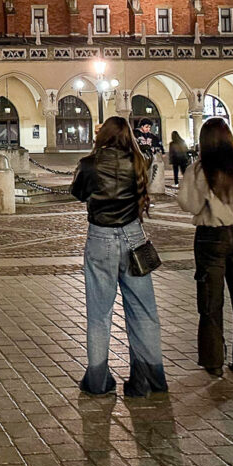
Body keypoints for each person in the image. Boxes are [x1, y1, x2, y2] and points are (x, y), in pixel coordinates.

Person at [71, 116, 168, 398]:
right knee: (144, 312)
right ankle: (149, 379)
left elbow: (78, 193)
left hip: (100, 239)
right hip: (134, 237)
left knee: (99, 315)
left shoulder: (90, 164)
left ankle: (98, 380)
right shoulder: (140, 162)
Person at [177, 118, 233, 379]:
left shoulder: (199, 169)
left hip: (211, 237)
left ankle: (213, 360)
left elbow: (190, 205)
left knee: (210, 299)